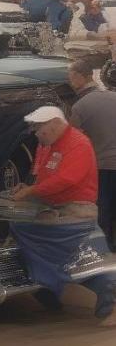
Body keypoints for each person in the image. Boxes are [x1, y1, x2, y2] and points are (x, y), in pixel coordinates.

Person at [10, 105, 116, 319]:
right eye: (35, 129)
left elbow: (67, 179)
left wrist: (33, 190)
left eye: (41, 128)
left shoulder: (79, 144)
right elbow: (39, 173)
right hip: (51, 207)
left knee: (83, 258)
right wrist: (26, 186)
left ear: (56, 124)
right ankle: (48, 291)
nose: (37, 133)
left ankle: (107, 305)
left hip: (77, 210)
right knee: (18, 228)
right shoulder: (45, 145)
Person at [68, 58, 116, 248]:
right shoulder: (113, 97)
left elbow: (72, 144)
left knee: (102, 209)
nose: (70, 82)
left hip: (102, 166)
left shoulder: (80, 107)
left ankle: (104, 252)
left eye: (71, 78)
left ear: (79, 77)